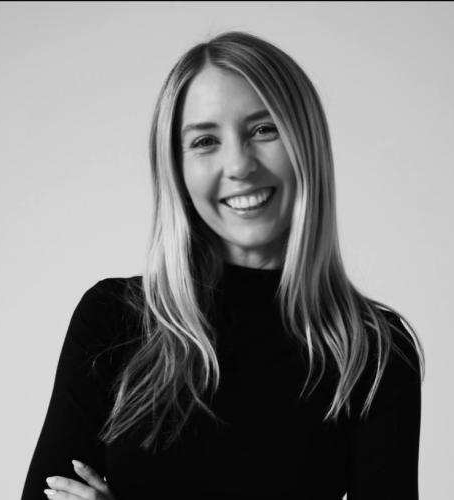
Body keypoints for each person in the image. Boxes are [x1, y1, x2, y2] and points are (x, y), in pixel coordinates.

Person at [21, 31, 425, 500]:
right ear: (177, 168)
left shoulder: (373, 349)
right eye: (205, 140)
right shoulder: (114, 319)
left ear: (307, 143)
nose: (239, 165)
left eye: (263, 129)